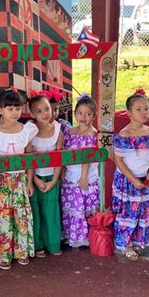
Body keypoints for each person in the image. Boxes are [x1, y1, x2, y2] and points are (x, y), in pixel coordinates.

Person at [0, 88, 38, 270]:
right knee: (1, 217)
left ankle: (21, 251)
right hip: (0, 182)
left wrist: (29, 181)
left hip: (20, 180)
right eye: (10, 108)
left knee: (21, 217)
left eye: (17, 108)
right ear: (0, 109)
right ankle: (3, 253)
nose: (14, 112)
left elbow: (30, 158)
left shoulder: (27, 130)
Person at [112, 90, 149, 260]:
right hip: (127, 180)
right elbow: (118, 161)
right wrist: (133, 179)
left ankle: (138, 241)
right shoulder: (124, 135)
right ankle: (125, 244)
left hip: (144, 179)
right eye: (138, 109)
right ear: (129, 112)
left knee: (142, 211)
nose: (143, 112)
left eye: (146, 108)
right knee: (127, 212)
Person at [61, 93, 100, 248]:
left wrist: (84, 177)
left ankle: (83, 237)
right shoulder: (69, 132)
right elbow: (64, 154)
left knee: (83, 207)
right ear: (75, 113)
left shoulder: (93, 134)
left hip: (85, 177)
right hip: (70, 175)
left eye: (88, 114)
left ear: (94, 116)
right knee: (71, 206)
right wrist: (63, 172)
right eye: (80, 113)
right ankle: (70, 235)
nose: (83, 117)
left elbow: (87, 157)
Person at [28, 90, 63, 257]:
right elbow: (27, 159)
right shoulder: (29, 131)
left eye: (47, 109)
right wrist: (35, 180)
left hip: (52, 178)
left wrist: (54, 181)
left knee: (51, 210)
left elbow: (59, 159)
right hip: (33, 178)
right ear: (32, 113)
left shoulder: (58, 130)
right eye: (39, 111)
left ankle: (53, 243)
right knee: (35, 211)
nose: (44, 114)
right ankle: (37, 245)